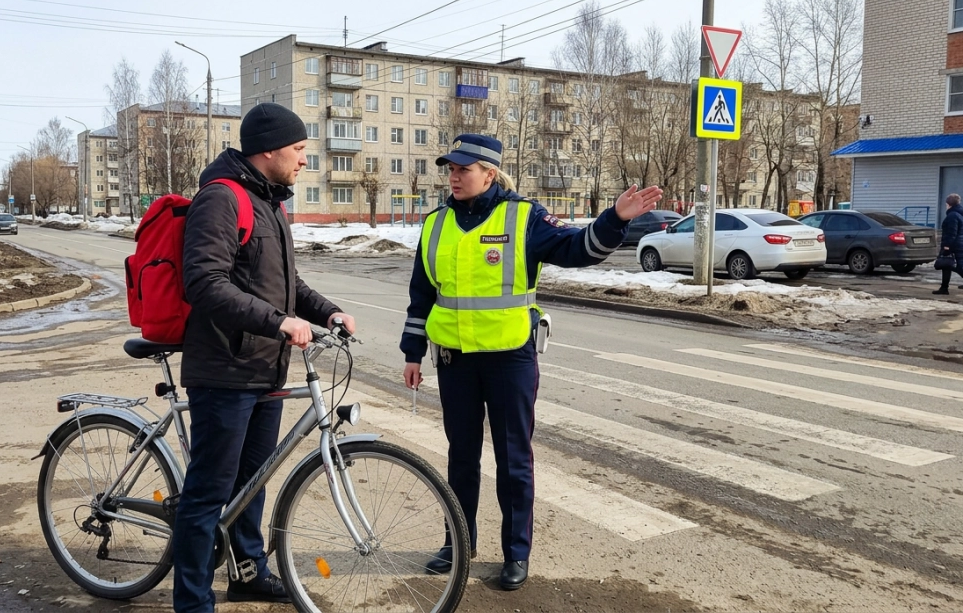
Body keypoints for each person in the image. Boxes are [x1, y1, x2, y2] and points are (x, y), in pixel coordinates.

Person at [400, 134, 662, 591]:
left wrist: (615, 220)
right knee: (460, 458)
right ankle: (458, 542)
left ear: (490, 173)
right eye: (451, 168)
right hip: (454, 359)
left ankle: (516, 554)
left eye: (464, 168)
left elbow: (575, 249)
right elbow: (422, 291)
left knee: (512, 460)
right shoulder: (437, 223)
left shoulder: (524, 216)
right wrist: (412, 352)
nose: (454, 176)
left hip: (509, 360)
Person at [174, 103, 356, 613]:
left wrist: (328, 313)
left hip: (265, 371)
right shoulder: (221, 199)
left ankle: (247, 572)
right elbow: (204, 283)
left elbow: (286, 285)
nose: (304, 160)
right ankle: (191, 603)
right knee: (209, 493)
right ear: (269, 148)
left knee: (251, 485)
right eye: (299, 149)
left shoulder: (271, 203)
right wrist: (277, 322)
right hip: (225, 371)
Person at [934, 193, 963, 296]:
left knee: (956, 266)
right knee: (947, 265)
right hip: (959, 243)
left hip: (954, 245)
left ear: (948, 204)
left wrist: (947, 246)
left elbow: (951, 233)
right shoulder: (958, 214)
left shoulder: (952, 215)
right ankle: (944, 288)